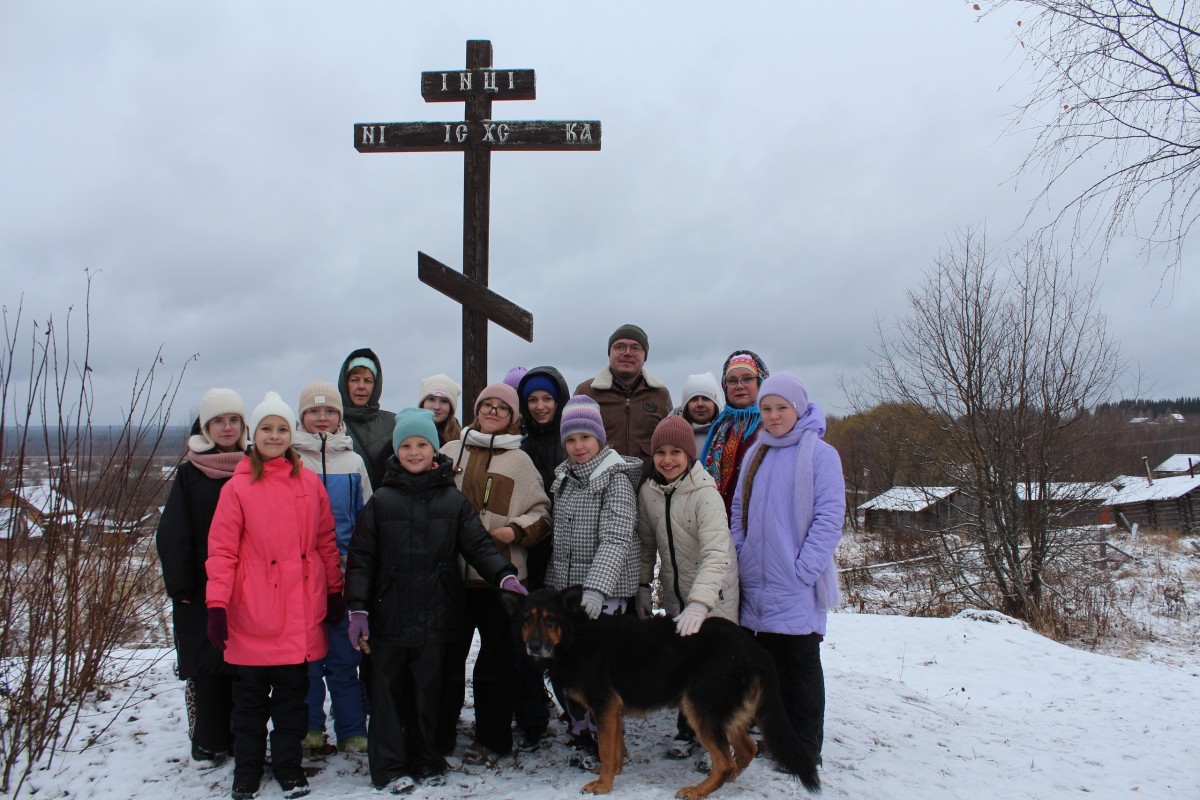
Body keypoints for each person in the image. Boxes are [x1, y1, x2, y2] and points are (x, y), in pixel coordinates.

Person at [344, 408, 526, 794]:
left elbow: (477, 544)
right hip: (388, 617)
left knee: (429, 693)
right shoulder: (380, 501)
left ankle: (427, 758)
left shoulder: (452, 501)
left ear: (434, 450)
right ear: (396, 451)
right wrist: (358, 607)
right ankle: (390, 767)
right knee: (388, 695)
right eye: (406, 445)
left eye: (422, 444)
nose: (414, 452)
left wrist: (503, 575)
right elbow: (361, 560)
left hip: (437, 614)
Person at [206, 392, 343, 800]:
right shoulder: (238, 487)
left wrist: (334, 589)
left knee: (291, 702)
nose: (274, 435)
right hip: (251, 612)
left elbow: (325, 541)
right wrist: (217, 605)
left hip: (300, 611)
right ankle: (247, 770)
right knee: (248, 703)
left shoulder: (309, 484)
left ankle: (288, 766)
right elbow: (222, 552)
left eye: (282, 428)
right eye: (267, 427)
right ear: (254, 433)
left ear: (291, 434)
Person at [730, 372, 844, 765]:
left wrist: (803, 570)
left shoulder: (820, 454)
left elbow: (830, 518)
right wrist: (742, 553)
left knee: (801, 670)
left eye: (781, 408)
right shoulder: (756, 453)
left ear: (798, 408)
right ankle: (778, 744)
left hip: (796, 583)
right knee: (768, 671)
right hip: (756, 582)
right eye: (766, 409)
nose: (774, 416)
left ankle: (806, 749)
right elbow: (738, 510)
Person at [439, 383, 551, 763]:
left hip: (500, 579)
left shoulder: (519, 461)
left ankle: (492, 738)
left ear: (512, 418)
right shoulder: (450, 452)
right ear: (475, 409)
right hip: (451, 576)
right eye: (486, 405)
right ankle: (440, 732)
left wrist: (514, 531)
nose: (492, 412)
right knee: (448, 660)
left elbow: (541, 513)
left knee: (495, 664)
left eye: (501, 409)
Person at [545, 395, 642, 764]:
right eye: (570, 439)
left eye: (585, 437)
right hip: (568, 594)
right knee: (570, 668)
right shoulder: (564, 477)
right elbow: (560, 541)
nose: (578, 446)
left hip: (605, 593)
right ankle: (581, 731)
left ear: (600, 439)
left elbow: (616, 538)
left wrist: (596, 590)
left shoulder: (614, 481)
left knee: (600, 675)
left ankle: (609, 741)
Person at [637, 414, 740, 759]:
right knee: (687, 664)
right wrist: (642, 585)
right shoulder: (648, 493)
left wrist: (701, 603)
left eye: (676, 452)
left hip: (714, 597)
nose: (667, 460)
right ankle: (688, 730)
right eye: (661, 452)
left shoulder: (704, 493)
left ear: (690, 455)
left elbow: (717, 553)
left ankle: (720, 743)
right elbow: (647, 545)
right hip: (676, 594)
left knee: (715, 669)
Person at [156, 388, 246, 766]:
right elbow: (174, 534)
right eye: (218, 421)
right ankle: (208, 741)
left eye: (233, 420)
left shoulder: (254, 467)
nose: (227, 427)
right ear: (206, 427)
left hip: (247, 588)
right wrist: (183, 588)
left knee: (245, 669)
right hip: (201, 588)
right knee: (207, 667)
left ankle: (243, 736)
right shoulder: (190, 474)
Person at [292, 380, 371, 755]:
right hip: (299, 578)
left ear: (339, 417)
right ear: (302, 416)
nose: (321, 418)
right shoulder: (290, 460)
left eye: (329, 412)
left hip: (342, 574)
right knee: (306, 659)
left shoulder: (353, 462)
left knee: (344, 658)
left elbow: (365, 518)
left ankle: (352, 729)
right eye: (313, 411)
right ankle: (309, 727)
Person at [574, 324, 672, 468]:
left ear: (645, 356)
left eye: (635, 348)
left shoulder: (660, 394)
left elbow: (669, 444)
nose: (627, 353)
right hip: (599, 486)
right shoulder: (587, 392)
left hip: (648, 486)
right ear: (609, 353)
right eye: (620, 347)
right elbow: (570, 442)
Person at [515, 365, 571, 589]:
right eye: (532, 400)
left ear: (558, 402)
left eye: (547, 398)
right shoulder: (520, 446)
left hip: (568, 547)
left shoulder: (573, 444)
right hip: (530, 546)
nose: (540, 406)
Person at [702, 350, 770, 516]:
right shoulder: (720, 427)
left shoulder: (772, 423)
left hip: (763, 520)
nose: (740, 386)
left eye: (747, 379)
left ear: (760, 382)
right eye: (732, 381)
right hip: (722, 523)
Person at [338, 348, 396, 490]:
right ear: (345, 384)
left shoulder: (394, 422)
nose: (361, 386)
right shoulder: (332, 422)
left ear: (376, 385)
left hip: (383, 507)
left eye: (368, 381)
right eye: (355, 380)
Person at [672, 372, 724, 456]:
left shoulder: (728, 434)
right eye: (694, 399)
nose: (700, 404)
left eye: (706, 398)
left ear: (716, 404)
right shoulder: (671, 434)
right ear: (686, 406)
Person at [418, 373, 463, 447]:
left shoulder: (461, 440)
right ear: (422, 403)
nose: (437, 407)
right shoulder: (406, 433)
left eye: (444, 401)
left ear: (451, 407)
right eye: (431, 399)